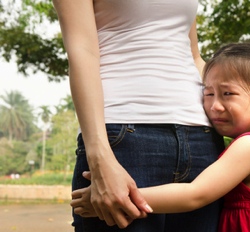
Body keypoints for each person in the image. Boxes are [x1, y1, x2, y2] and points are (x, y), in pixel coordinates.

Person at [71, 42, 250, 232]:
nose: (214, 106)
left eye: (228, 94)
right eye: (208, 93)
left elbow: (195, 194)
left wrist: (120, 198)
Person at [52, 0, 225, 231]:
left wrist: (249, 97)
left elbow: (194, 56)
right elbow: (82, 51)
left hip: (201, 137)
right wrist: (100, 157)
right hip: (123, 137)